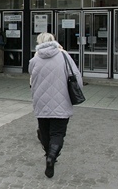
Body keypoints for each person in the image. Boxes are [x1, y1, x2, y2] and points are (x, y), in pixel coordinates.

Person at [29, 32, 83, 178]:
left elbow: (31, 79)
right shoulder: (64, 55)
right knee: (58, 133)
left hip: (41, 102)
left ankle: (48, 153)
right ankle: (51, 157)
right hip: (62, 101)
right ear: (53, 40)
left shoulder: (35, 58)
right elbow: (76, 76)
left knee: (44, 131)